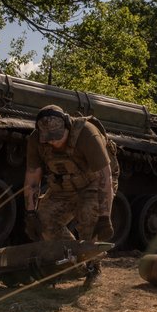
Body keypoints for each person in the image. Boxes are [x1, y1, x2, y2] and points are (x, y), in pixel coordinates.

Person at [23, 105, 116, 280]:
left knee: (90, 216)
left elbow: (105, 176)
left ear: (67, 125)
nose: (53, 142)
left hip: (93, 182)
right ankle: (74, 261)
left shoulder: (87, 134)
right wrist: (30, 213)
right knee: (44, 220)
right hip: (64, 185)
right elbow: (32, 179)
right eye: (48, 138)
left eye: (58, 137)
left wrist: (105, 217)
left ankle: (93, 266)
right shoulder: (36, 140)